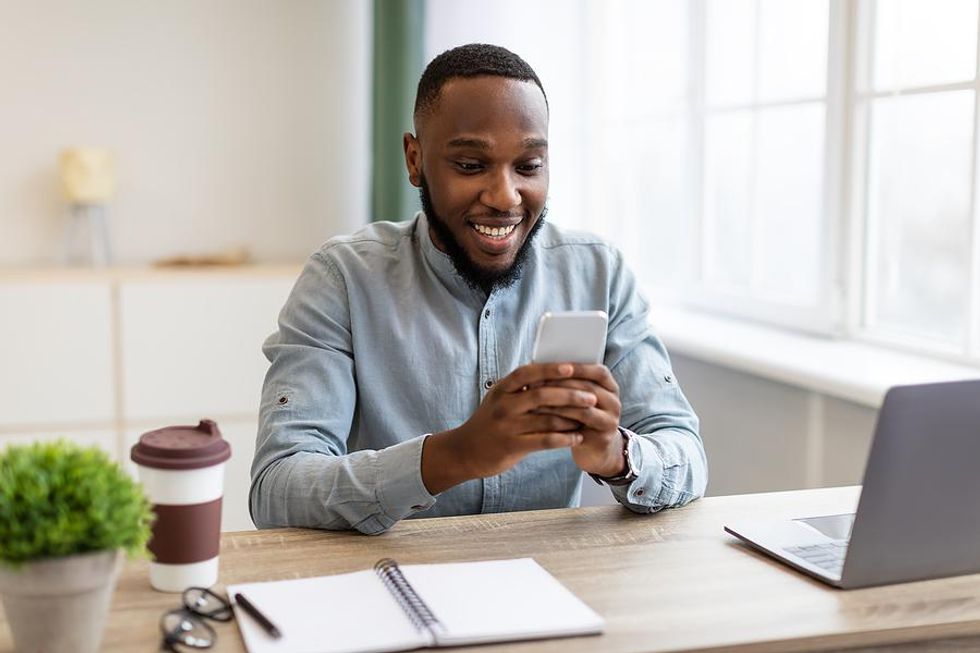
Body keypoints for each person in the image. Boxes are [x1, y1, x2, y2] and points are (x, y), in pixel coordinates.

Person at [250, 43, 707, 534]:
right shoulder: (342, 278)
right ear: (415, 159)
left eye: (529, 166)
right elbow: (278, 488)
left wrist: (616, 455)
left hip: (557, 583)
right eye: (470, 166)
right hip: (395, 584)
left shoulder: (599, 272)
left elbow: (686, 455)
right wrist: (457, 454)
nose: (505, 197)